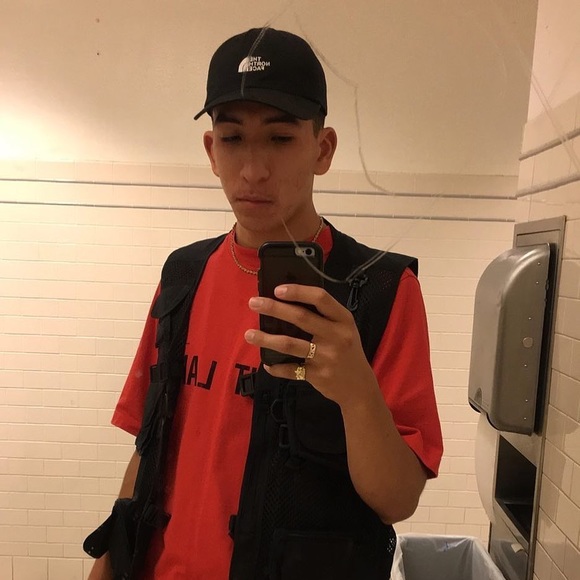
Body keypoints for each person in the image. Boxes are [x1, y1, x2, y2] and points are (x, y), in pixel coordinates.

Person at [87, 27, 443, 580]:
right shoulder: (183, 275)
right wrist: (107, 565)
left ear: (322, 149)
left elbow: (396, 501)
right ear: (211, 151)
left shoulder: (381, 290)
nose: (253, 170)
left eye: (279, 138)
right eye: (233, 138)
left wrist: (357, 395)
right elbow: (149, 445)